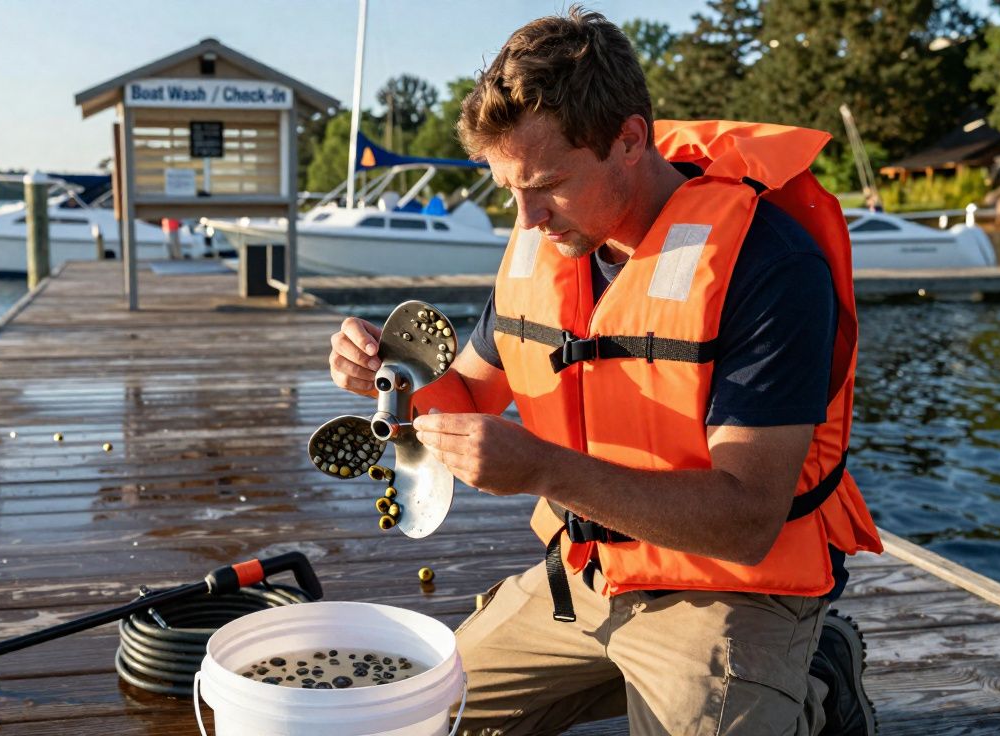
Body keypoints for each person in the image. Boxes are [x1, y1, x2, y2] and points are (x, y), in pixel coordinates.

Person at [327, 8, 883, 735]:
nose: (526, 221)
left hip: (733, 590)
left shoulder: (770, 264)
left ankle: (814, 682)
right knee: (413, 719)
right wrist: (392, 372)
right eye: (507, 190)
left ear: (629, 139)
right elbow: (466, 392)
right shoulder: (545, 245)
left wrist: (545, 471)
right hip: (585, 575)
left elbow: (748, 521)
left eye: (548, 184)